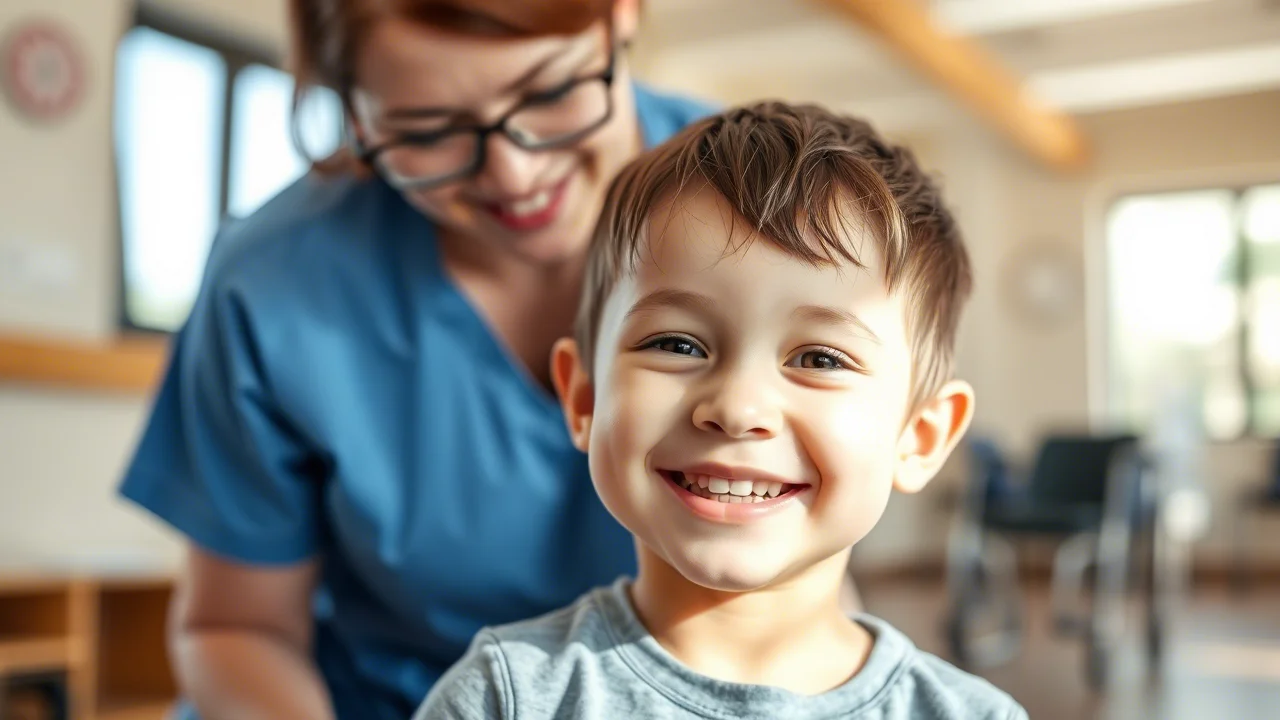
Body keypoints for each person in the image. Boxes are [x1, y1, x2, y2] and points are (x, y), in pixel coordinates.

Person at [117, 1, 720, 718]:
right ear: (355, 114)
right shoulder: (274, 283)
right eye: (428, 132)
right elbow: (237, 628)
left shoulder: (776, 212)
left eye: (552, 91)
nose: (516, 171)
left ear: (620, 16)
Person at [416, 102, 1029, 719]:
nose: (737, 408)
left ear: (920, 436)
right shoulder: (502, 698)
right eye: (677, 345)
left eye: (819, 359)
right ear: (585, 398)